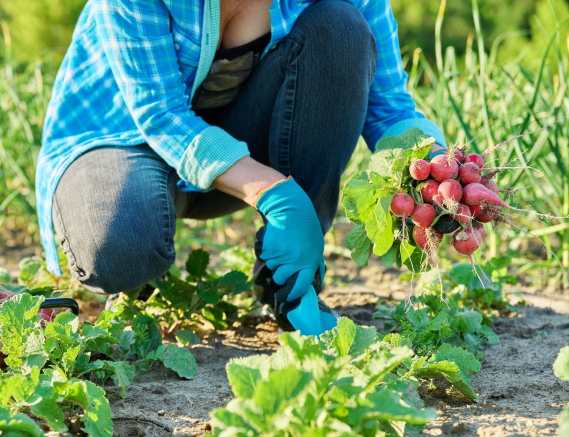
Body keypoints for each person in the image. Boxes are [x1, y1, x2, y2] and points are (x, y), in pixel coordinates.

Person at [36, 0, 447, 335]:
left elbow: (388, 105)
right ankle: (139, 271)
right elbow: (161, 115)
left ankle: (289, 281)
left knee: (340, 28)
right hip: (120, 136)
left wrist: (436, 166)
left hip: (238, 142)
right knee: (121, 251)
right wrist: (274, 193)